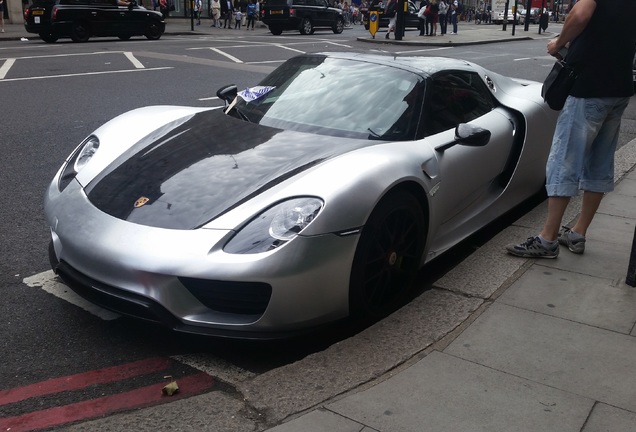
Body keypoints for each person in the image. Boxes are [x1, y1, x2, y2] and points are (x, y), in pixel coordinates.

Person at [506, 0, 636, 259]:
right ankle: (578, 233)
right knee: (600, 161)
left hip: (588, 88)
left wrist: (558, 42)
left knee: (564, 160)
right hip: (619, 89)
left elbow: (580, 14)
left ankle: (547, 239)